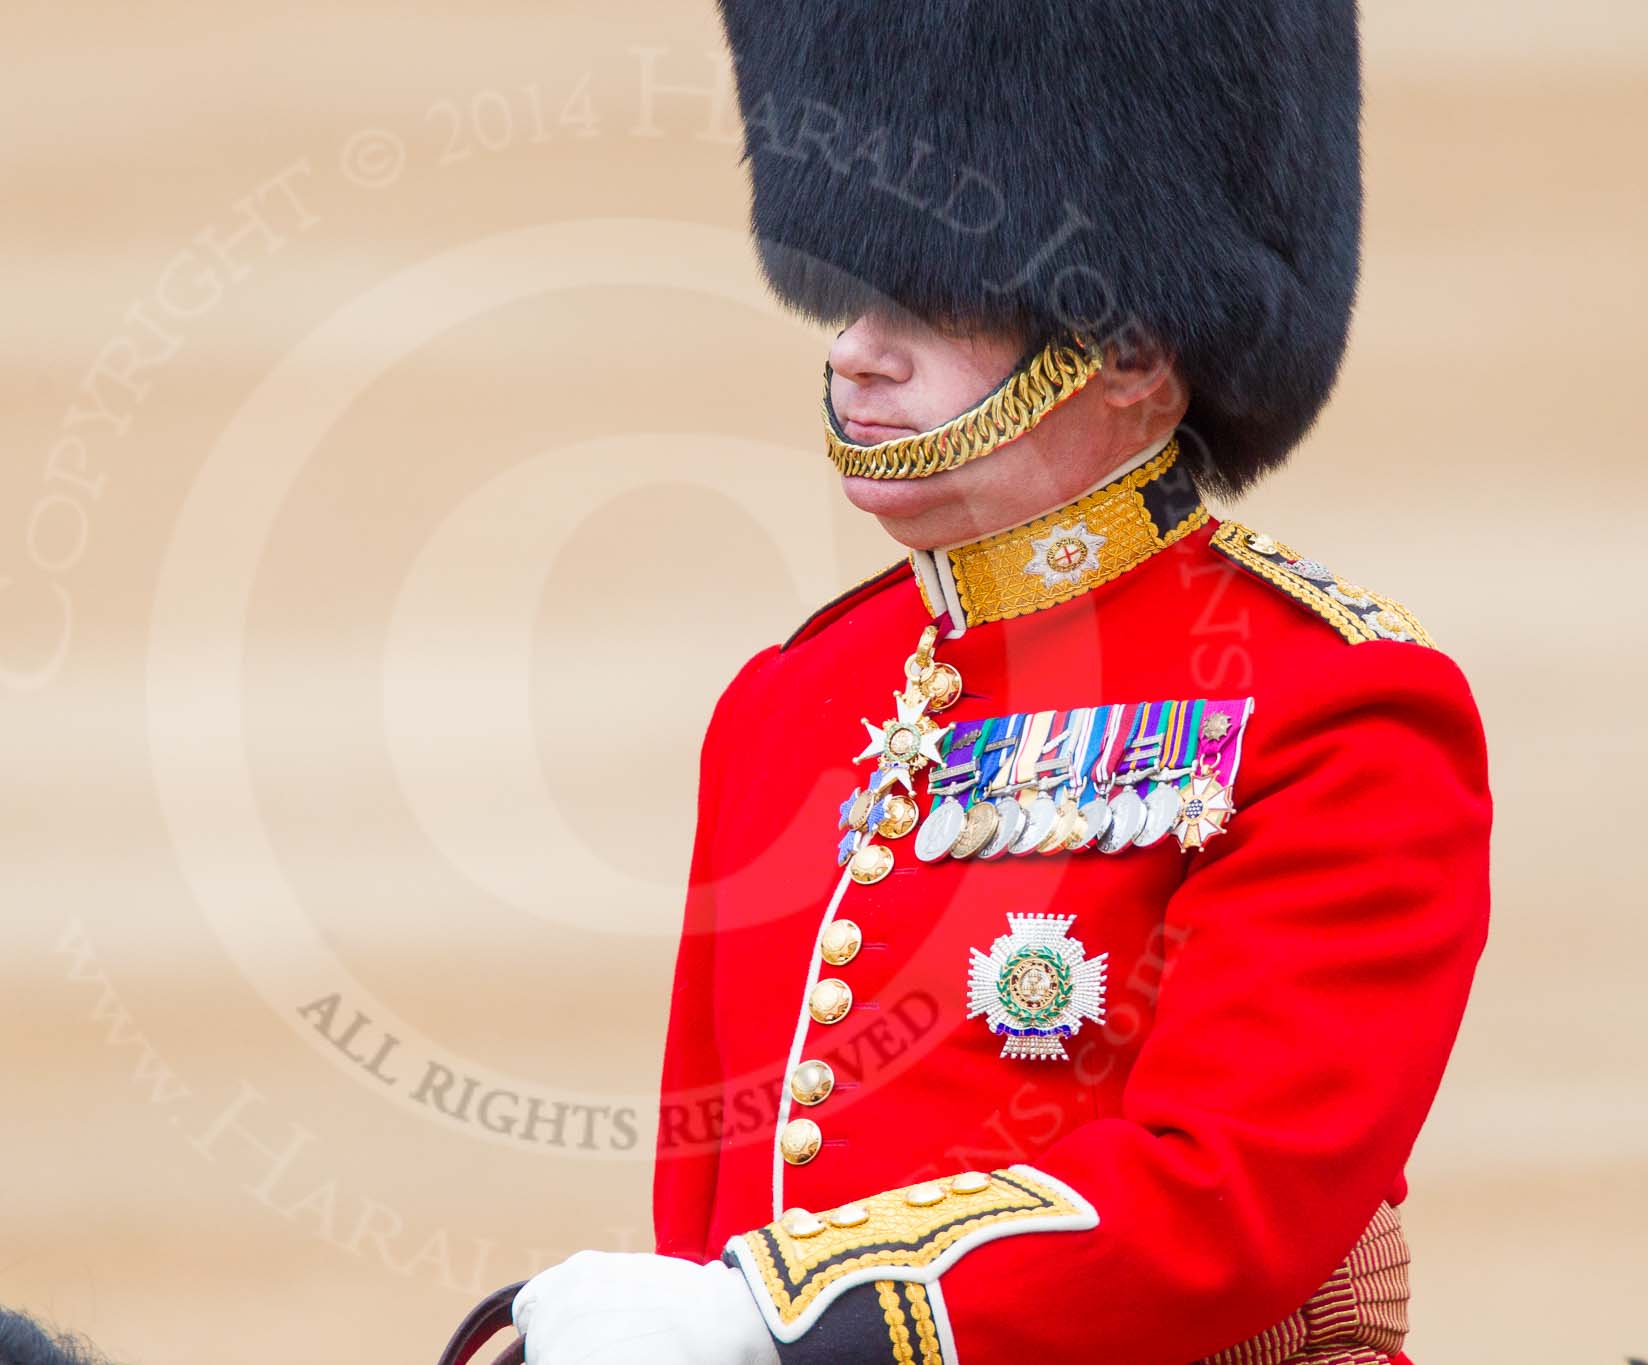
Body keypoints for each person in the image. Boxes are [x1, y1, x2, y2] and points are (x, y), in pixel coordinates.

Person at [509, 1, 1490, 1361]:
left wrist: (773, 1318)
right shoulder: (791, 703)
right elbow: (718, 1206)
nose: (857, 346)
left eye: (938, 298)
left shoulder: (1329, 708)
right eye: (856, 290)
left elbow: (1229, 1194)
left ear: (1135, 355)